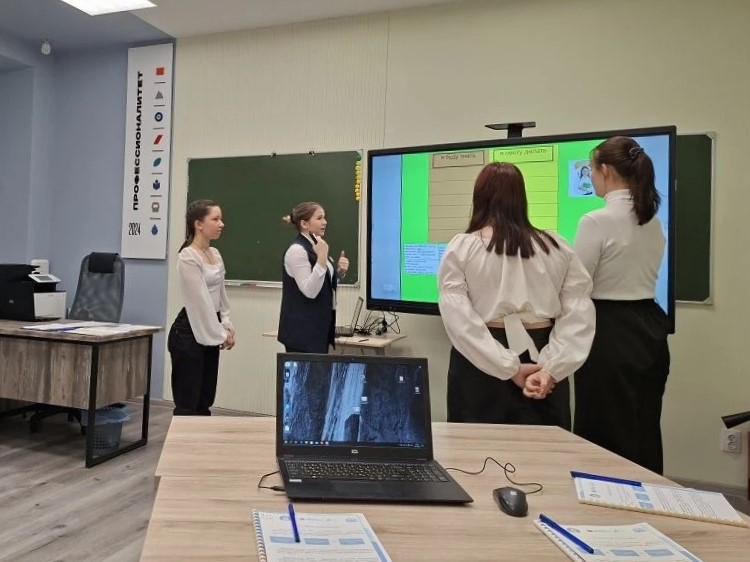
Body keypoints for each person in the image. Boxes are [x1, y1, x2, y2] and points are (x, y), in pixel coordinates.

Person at [438, 162, 595, 428]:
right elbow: (578, 314)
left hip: (480, 360)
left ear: (479, 197)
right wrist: (550, 369)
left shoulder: (462, 247)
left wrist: (507, 367)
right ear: (521, 197)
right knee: (545, 448)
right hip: (542, 355)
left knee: (476, 449)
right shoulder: (556, 246)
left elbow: (459, 320)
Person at [573, 136, 670, 474]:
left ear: (605, 170)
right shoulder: (652, 220)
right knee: (643, 424)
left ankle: (602, 499)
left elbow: (576, 285)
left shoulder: (595, 221)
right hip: (650, 327)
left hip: (609, 330)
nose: (590, 177)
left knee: (603, 429)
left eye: (591, 170)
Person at [168, 199, 235, 416]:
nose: (221, 224)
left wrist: (226, 323)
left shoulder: (215, 254)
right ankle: (184, 438)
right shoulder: (188, 256)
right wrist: (221, 333)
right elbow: (200, 302)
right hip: (189, 331)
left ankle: (202, 436)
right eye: (215, 219)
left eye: (221, 219)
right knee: (188, 402)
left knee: (205, 398)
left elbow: (221, 294)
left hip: (211, 327)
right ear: (198, 224)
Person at [278, 201, 349, 353]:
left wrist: (339, 272)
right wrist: (322, 258)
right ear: (304, 224)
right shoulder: (297, 250)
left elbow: (322, 283)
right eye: (319, 218)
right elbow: (310, 291)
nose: (325, 222)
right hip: (302, 335)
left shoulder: (316, 245)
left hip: (319, 331)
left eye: (324, 217)